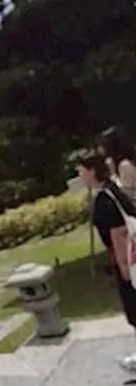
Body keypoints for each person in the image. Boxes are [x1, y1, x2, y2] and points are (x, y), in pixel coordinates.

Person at [76, 151, 137, 332]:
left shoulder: (105, 198)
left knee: (133, 305)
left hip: (126, 257)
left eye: (81, 171)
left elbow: (118, 232)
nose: (80, 175)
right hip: (131, 253)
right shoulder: (113, 187)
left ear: (92, 171)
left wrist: (124, 268)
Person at [99, 127, 137, 202]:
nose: (101, 149)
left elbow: (127, 193)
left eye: (103, 145)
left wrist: (113, 175)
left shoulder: (124, 165)